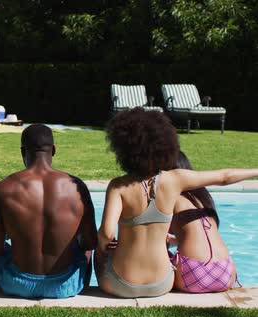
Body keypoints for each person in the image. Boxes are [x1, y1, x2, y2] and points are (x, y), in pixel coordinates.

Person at [96, 108, 258, 298]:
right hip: (162, 284)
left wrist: (106, 244)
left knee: (98, 252)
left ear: (123, 149)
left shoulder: (118, 186)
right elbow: (224, 177)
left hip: (121, 284)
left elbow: (106, 233)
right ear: (165, 145)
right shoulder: (175, 179)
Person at [0, 124, 97, 299]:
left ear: (23, 151)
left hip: (15, 283)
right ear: (53, 150)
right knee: (84, 250)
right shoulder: (77, 186)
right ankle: (85, 289)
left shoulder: (4, 188)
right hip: (65, 286)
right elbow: (90, 242)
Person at [169, 151, 239, 293]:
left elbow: (155, 239)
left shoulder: (171, 197)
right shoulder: (202, 197)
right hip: (226, 272)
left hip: (193, 274)